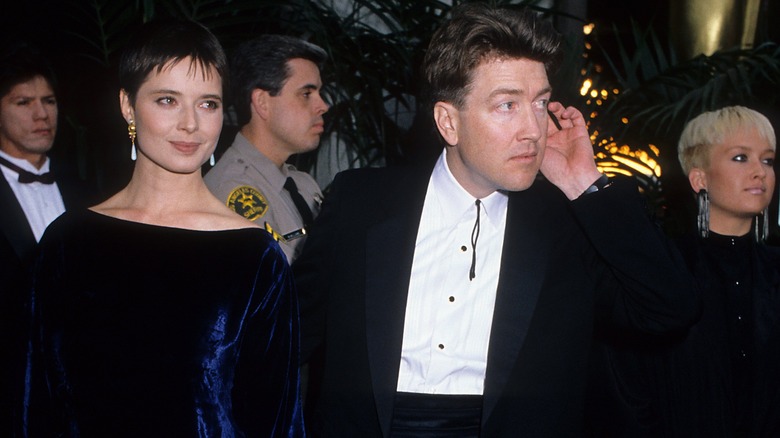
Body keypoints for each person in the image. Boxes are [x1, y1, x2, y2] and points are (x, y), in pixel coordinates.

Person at [293, 3, 697, 437]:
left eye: (540, 103)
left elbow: (669, 309)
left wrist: (585, 183)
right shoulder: (361, 203)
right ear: (449, 121)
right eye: (507, 105)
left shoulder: (568, 224)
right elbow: (288, 338)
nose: (533, 129)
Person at [22, 20, 305, 437]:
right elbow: (35, 404)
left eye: (208, 103)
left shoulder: (254, 255)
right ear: (127, 105)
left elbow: (277, 420)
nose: (190, 123)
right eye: (168, 100)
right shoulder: (69, 241)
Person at [608, 106, 779, 437]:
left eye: (768, 159)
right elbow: (629, 383)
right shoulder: (666, 270)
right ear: (699, 178)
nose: (760, 171)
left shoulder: (775, 270)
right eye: (741, 158)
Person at [0, 42, 94, 436]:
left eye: (49, 100)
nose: (42, 114)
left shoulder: (89, 190)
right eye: (24, 102)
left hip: (83, 390)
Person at [205, 35, 329, 262]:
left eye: (319, 93)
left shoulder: (303, 184)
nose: (323, 106)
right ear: (262, 102)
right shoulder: (232, 190)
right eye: (306, 94)